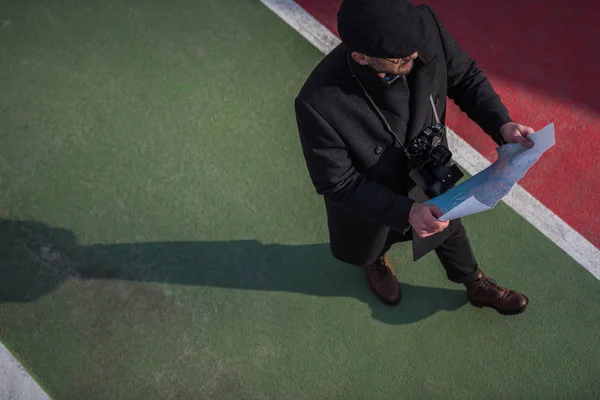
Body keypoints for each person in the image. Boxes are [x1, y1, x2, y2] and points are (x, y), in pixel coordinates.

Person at [294, 0, 533, 315]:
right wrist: (407, 212)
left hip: (429, 167)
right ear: (361, 56)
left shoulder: (423, 28)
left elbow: (466, 79)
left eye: (415, 48)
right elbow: (337, 182)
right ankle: (377, 261)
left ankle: (473, 280)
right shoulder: (318, 102)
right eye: (401, 57)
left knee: (450, 227)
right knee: (372, 239)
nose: (415, 56)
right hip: (373, 192)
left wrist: (502, 124)